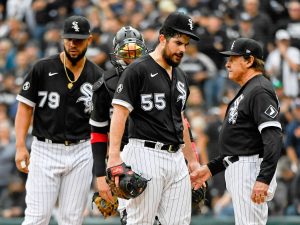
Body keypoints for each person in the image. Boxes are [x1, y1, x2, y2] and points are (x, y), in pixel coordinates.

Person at [106, 12, 202, 225]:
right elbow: (119, 114)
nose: (182, 49)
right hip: (144, 154)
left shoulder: (181, 76)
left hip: (176, 158)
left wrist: (193, 161)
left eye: (185, 44)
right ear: (162, 38)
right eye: (178, 42)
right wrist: (114, 157)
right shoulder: (137, 69)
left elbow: (182, 121)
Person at [14, 15, 103, 225]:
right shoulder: (42, 68)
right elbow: (25, 107)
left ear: (89, 40)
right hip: (45, 149)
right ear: (63, 39)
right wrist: (19, 146)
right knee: (37, 218)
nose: (73, 44)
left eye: (78, 39)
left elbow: (101, 122)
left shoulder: (97, 76)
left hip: (81, 150)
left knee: (71, 220)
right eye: (69, 38)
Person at [190, 38, 283, 225]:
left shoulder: (259, 90)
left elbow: (273, 137)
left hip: (250, 169)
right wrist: (211, 168)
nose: (227, 63)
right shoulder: (248, 90)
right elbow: (239, 142)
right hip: (240, 167)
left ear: (249, 61)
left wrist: (263, 179)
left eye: (233, 58)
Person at [89, 26, 149, 223]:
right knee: (130, 217)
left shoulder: (156, 77)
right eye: (126, 53)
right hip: (122, 157)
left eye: (136, 53)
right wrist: (100, 175)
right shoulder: (105, 84)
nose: (131, 58)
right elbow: (98, 132)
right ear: (116, 54)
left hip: (156, 152)